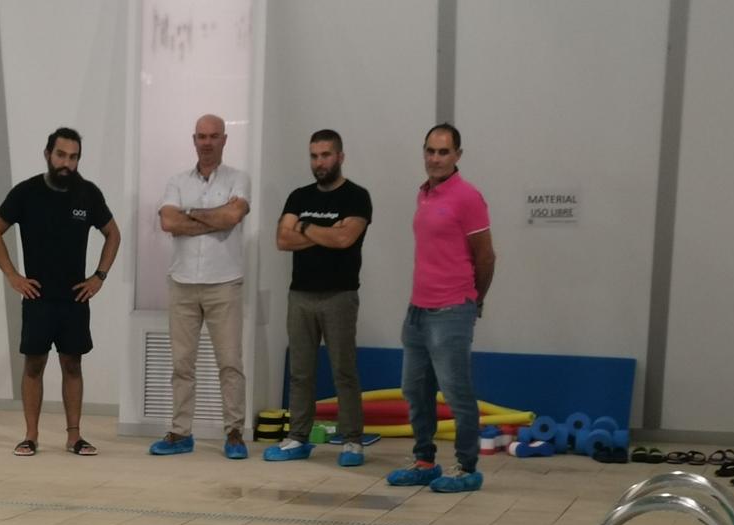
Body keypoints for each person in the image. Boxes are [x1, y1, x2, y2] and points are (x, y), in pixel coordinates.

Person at [0, 127, 121, 458]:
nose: (66, 163)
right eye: (61, 155)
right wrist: (13, 275)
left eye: (73, 157)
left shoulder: (87, 194)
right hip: (38, 298)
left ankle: (74, 437)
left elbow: (113, 234)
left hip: (75, 297)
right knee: (34, 365)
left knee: (72, 365)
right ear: (48, 154)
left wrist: (99, 277)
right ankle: (30, 436)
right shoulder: (26, 193)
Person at [389, 124, 495, 495]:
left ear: (458, 156)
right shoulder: (425, 194)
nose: (435, 159)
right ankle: (424, 461)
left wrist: (472, 300)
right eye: (430, 151)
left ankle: (467, 467)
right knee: (415, 391)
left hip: (452, 309)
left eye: (444, 152)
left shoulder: (468, 197)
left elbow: (485, 257)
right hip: (417, 310)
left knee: (456, 392)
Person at [149, 115, 251, 460]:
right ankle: (180, 432)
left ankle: (235, 432)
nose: (207, 142)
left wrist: (189, 216)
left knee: (230, 363)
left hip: (224, 284)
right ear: (194, 140)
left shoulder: (239, 178)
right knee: (181, 364)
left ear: (224, 140)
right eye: (201, 136)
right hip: (182, 285)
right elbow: (167, 221)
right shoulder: (176, 181)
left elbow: (232, 218)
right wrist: (212, 216)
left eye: (214, 136)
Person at [270, 131, 374, 468]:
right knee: (301, 372)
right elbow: (282, 240)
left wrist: (304, 228)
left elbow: (345, 238)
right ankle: (298, 437)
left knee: (344, 370)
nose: (319, 162)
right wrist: (322, 233)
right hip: (300, 294)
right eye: (314, 156)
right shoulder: (298, 196)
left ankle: (352, 440)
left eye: (326, 155)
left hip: (340, 295)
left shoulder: (357, 197)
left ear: (340, 156)